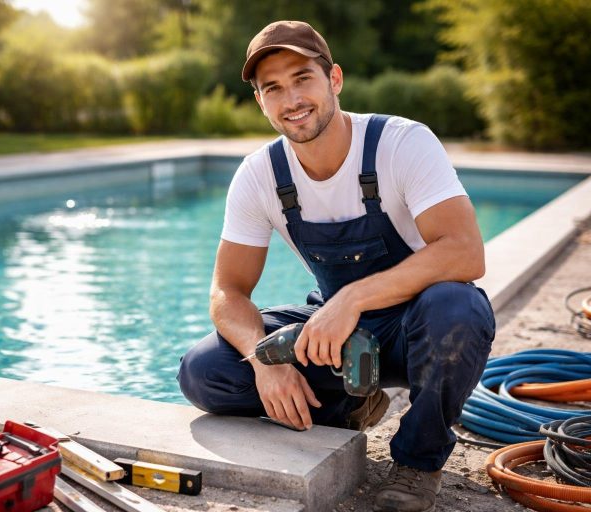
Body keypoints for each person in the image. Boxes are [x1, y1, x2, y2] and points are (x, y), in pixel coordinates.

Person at [177, 20, 496, 512]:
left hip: (416, 327)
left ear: (335, 79)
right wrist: (264, 361)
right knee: (204, 371)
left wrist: (351, 299)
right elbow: (228, 291)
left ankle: (418, 462)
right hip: (335, 342)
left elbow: (464, 252)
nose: (291, 100)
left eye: (302, 78)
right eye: (272, 88)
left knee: (459, 308)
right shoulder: (260, 175)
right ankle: (351, 403)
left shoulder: (400, 143)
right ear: (260, 102)